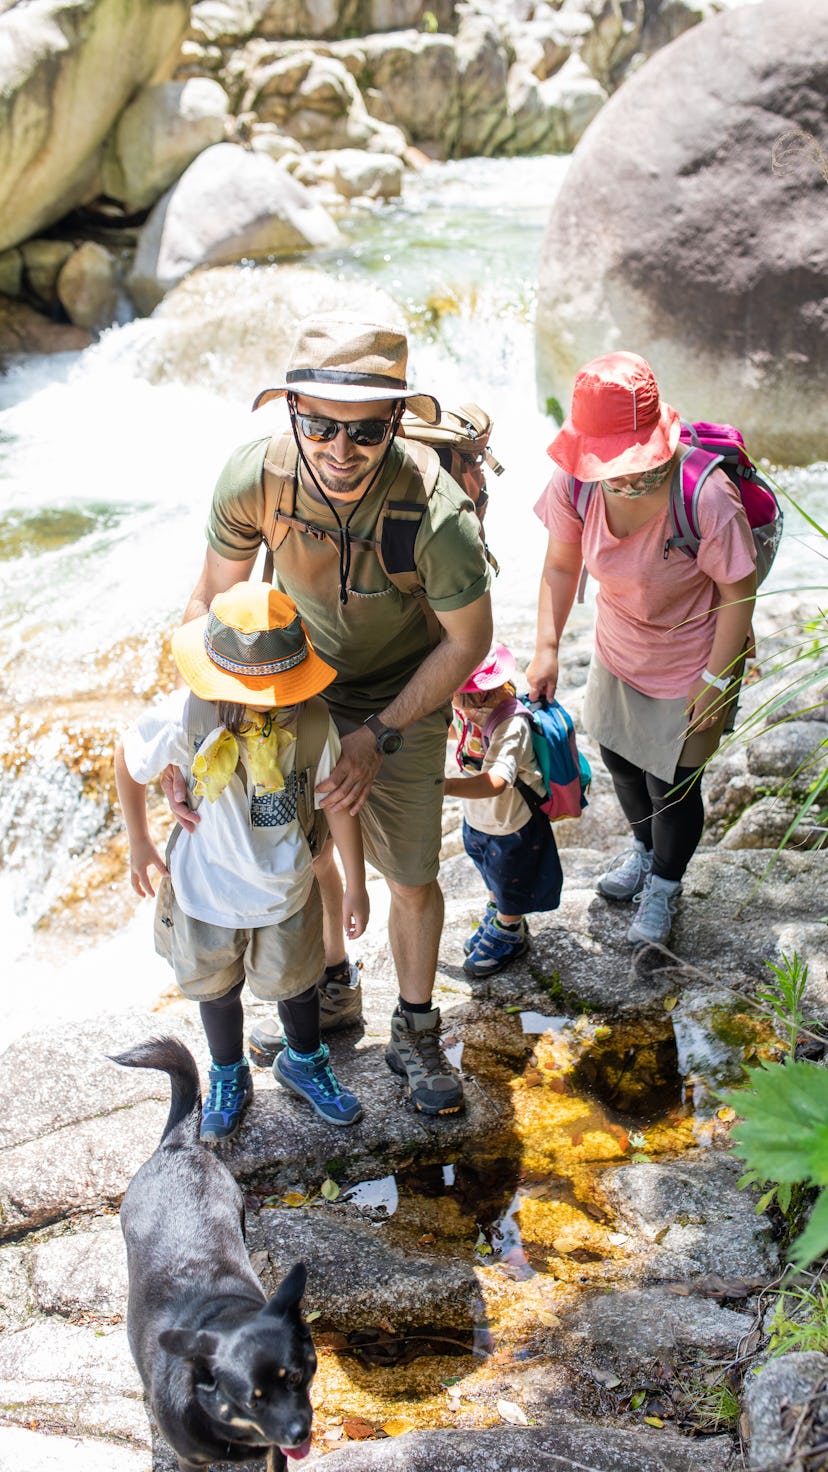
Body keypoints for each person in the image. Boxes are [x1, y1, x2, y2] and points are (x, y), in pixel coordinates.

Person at [165, 316, 493, 1115]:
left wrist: (378, 734)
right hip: (285, 682)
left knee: (410, 873)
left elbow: (470, 641)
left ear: (394, 425)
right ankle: (332, 983)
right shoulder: (256, 479)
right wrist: (187, 738)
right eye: (318, 426)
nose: (340, 450)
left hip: (404, 694)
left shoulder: (436, 518)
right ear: (291, 415)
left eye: (366, 431)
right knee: (302, 847)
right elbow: (211, 602)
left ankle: (415, 1031)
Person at [115, 582, 369, 1141]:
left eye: (281, 687)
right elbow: (128, 756)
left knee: (298, 980)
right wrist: (140, 839)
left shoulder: (310, 721)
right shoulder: (187, 715)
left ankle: (304, 1058)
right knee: (216, 986)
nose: (272, 700)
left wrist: (355, 882)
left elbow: (337, 801)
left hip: (284, 886)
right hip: (207, 888)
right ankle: (228, 1072)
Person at [527, 351, 757, 947]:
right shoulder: (576, 483)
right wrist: (546, 648)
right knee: (622, 761)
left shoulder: (704, 496)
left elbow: (738, 591)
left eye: (637, 463)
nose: (625, 477)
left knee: (671, 787)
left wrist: (716, 676)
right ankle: (642, 850)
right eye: (611, 464)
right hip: (618, 646)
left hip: (694, 661)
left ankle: (666, 882)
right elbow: (559, 565)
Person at [444, 643, 563, 977]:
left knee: (511, 878)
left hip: (512, 825)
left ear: (477, 695)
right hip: (481, 819)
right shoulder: (468, 712)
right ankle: (500, 913)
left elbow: (497, 780)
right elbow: (458, 733)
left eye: (450, 691)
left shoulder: (512, 726)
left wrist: (446, 786)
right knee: (490, 872)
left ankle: (509, 932)